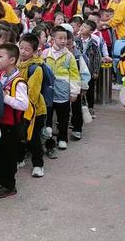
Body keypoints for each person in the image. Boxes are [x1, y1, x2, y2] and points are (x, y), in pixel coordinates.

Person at [0, 43, 29, 198]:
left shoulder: (18, 82)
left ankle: (9, 185)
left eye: (0, 56)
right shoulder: (2, 76)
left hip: (11, 125)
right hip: (1, 122)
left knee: (8, 156)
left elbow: (23, 104)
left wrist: (4, 97)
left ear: (12, 59)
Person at [42, 26, 81, 157]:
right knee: (47, 120)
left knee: (63, 118)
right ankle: (49, 143)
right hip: (48, 92)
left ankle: (62, 139)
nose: (63, 41)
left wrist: (74, 92)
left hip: (63, 92)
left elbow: (75, 75)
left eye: (65, 38)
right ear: (52, 39)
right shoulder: (45, 54)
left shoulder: (69, 56)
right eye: (60, 38)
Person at [17, 33, 47, 177]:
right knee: (20, 135)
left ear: (35, 51)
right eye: (21, 47)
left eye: (27, 49)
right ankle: (20, 158)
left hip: (35, 110)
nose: (22, 51)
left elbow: (33, 93)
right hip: (18, 107)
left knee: (33, 138)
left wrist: (19, 102)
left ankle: (38, 164)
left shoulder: (36, 68)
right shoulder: (15, 63)